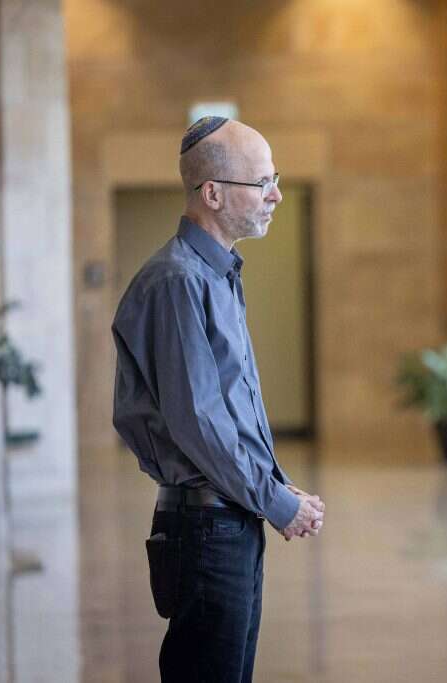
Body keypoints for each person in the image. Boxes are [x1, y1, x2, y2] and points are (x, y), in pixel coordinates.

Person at [112, 116, 325, 682]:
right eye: (262, 183)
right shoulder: (178, 281)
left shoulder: (216, 275)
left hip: (229, 518)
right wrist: (276, 502)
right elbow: (199, 423)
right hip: (206, 532)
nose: (275, 194)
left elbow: (230, 411)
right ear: (212, 193)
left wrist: (270, 486)